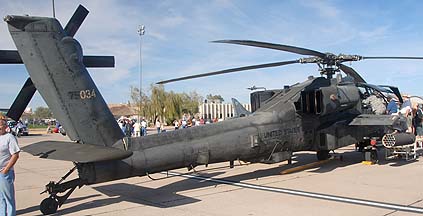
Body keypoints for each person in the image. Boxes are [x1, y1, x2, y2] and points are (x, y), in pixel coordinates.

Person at [0, 119, 20, 216]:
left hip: (4, 173)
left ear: (5, 126)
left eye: (0, 125)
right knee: (0, 199)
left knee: (8, 198)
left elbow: (15, 155)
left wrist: (6, 169)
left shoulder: (9, 137)